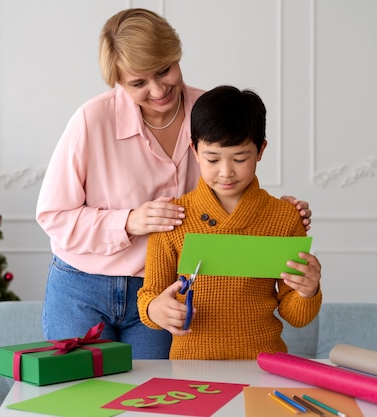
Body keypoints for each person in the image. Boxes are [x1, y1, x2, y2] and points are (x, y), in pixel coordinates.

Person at [35, 8, 312, 359]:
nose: (157, 89)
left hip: (167, 289)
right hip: (83, 286)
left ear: (176, 55)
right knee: (81, 401)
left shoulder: (208, 110)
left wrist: (279, 210)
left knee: (153, 402)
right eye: (138, 83)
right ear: (118, 82)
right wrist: (128, 221)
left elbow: (231, 183)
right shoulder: (92, 120)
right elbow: (53, 216)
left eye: (164, 70)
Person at [137, 86, 322, 360]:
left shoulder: (284, 218)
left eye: (240, 158)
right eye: (212, 159)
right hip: (191, 369)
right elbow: (148, 296)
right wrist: (156, 309)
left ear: (261, 150)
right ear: (195, 150)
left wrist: (309, 291)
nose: (226, 172)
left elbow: (294, 316)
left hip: (264, 365)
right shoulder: (174, 219)